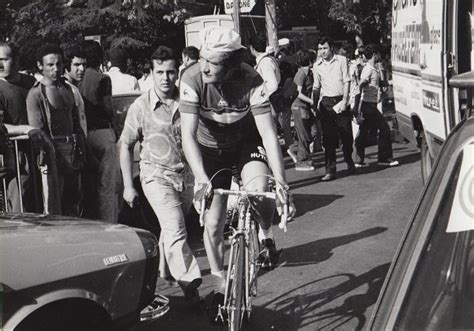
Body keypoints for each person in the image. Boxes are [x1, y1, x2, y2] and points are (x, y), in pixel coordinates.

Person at [179, 26, 295, 323]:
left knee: (260, 193)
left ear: (231, 64)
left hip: (245, 143)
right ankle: (219, 285)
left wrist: (281, 183)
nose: (203, 66)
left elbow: (269, 136)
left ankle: (265, 235)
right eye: (203, 58)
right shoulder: (192, 77)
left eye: (213, 62)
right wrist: (201, 178)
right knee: (214, 222)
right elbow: (188, 136)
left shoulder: (251, 78)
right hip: (210, 150)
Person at [120, 45, 202, 302]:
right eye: (159, 72)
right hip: (155, 175)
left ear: (177, 72)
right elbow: (125, 144)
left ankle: (164, 268)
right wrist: (128, 185)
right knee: (176, 226)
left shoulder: (188, 101)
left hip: (185, 176)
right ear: (152, 73)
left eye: (170, 72)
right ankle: (190, 282)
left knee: (172, 225)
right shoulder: (140, 106)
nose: (165, 78)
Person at [26, 43, 85, 216]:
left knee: (73, 204)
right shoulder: (36, 94)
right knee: (53, 209)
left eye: (59, 64)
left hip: (72, 153)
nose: (56, 69)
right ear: (40, 66)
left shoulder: (68, 89)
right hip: (51, 154)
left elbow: (76, 123)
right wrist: (52, 155)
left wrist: (82, 152)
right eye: (50, 65)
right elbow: (38, 133)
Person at [0, 41, 48, 212]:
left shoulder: (30, 82)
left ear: (16, 60)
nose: (0, 64)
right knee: (21, 204)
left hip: (39, 151)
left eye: (4, 59)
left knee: (44, 202)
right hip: (15, 154)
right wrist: (26, 129)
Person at [79, 40, 116, 222]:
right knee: (107, 185)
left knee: (88, 184)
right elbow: (108, 107)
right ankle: (110, 223)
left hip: (85, 134)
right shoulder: (103, 78)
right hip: (103, 132)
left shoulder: (76, 78)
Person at [312, 36, 356, 181]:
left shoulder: (341, 60)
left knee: (347, 136)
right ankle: (330, 170)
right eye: (320, 49)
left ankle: (349, 160)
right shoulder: (316, 66)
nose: (322, 51)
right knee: (329, 139)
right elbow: (316, 87)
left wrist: (345, 99)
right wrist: (314, 105)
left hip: (341, 100)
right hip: (326, 103)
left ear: (331, 48)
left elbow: (347, 80)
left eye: (325, 48)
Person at [355, 44, 399, 168]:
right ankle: (384, 158)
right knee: (384, 128)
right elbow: (362, 83)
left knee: (363, 131)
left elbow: (382, 83)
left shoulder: (373, 69)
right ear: (374, 54)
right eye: (378, 54)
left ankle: (358, 159)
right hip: (368, 105)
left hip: (369, 104)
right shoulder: (368, 69)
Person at [288, 49, 315, 171]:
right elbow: (298, 92)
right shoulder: (301, 74)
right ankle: (302, 161)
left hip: (305, 106)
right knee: (304, 133)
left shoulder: (308, 73)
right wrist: (311, 101)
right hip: (299, 106)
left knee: (313, 131)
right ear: (310, 61)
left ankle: (294, 149)